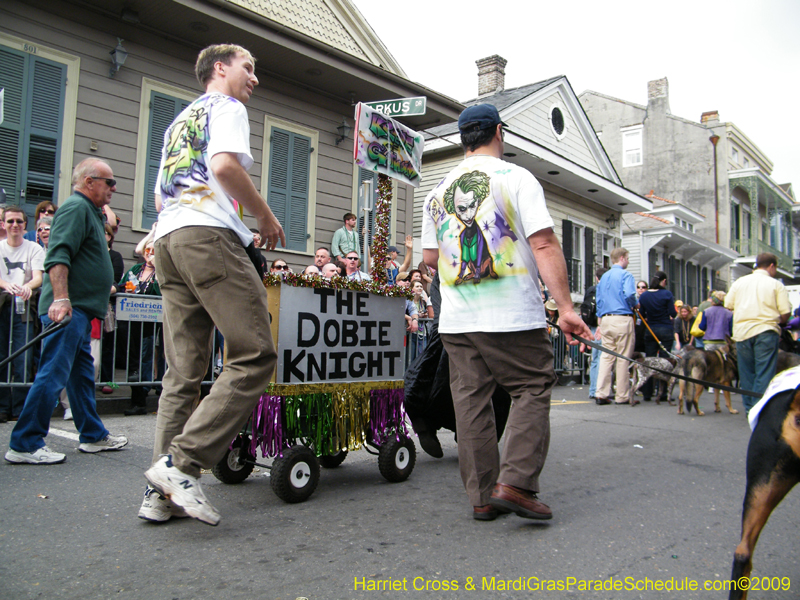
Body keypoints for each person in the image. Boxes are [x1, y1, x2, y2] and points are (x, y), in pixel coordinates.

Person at [421, 103, 591, 522]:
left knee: (472, 403)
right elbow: (545, 244)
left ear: (464, 139)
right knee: (532, 386)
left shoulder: (436, 191)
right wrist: (566, 308)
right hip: (511, 313)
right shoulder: (516, 178)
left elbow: (428, 257)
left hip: (458, 320)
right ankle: (515, 483)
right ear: (499, 131)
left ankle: (481, 498)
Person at [141, 44, 284, 526]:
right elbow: (224, 167)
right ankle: (180, 466)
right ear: (220, 69)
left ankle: (159, 496)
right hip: (208, 237)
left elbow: (165, 196)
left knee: (182, 373)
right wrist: (264, 217)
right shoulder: (227, 107)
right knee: (254, 353)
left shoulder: (179, 121)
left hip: (169, 238)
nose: (254, 79)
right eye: (249, 67)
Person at [5, 158, 128, 464]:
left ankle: (93, 435)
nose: (113, 188)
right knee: (52, 373)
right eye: (108, 182)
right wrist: (61, 299)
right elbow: (58, 255)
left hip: (80, 311)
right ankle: (25, 442)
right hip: (68, 309)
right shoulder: (75, 209)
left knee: (80, 375)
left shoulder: (89, 210)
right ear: (89, 182)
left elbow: (110, 221)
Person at [724, 253, 791, 414]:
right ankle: (759, 408)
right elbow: (786, 312)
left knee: (747, 373)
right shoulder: (775, 285)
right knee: (764, 371)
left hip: (742, 332)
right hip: (766, 330)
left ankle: (749, 408)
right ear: (771, 266)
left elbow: (728, 304)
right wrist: (780, 320)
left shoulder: (740, 282)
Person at [0, 206, 45, 422]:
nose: (14, 225)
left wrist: (28, 286)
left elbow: (38, 277)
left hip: (24, 306)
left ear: (25, 225)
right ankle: (2, 406)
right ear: (3, 224)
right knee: (1, 357)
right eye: (10, 221)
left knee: (23, 357)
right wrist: (7, 285)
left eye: (19, 221)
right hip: (2, 305)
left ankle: (19, 408)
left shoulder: (34, 248)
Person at [115, 240, 161, 416]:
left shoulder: (161, 271)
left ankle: (141, 398)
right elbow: (123, 284)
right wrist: (126, 291)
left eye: (154, 250)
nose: (150, 253)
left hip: (150, 323)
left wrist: (157, 266)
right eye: (148, 250)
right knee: (133, 361)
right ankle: (136, 399)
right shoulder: (136, 270)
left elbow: (160, 291)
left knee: (145, 359)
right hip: (131, 321)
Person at [594, 248, 637, 406]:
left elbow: (599, 300)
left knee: (606, 357)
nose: (628, 261)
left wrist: (600, 321)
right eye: (627, 258)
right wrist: (635, 305)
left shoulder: (604, 277)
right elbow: (630, 294)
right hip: (622, 317)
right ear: (622, 258)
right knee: (623, 358)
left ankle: (601, 393)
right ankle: (621, 395)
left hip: (606, 318)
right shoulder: (626, 275)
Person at [637, 271, 676, 403]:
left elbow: (641, 313)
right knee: (665, 362)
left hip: (650, 329)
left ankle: (647, 393)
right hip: (665, 328)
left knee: (650, 361)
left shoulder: (645, 296)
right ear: (663, 281)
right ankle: (663, 393)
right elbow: (672, 313)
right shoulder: (667, 294)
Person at [583, 268, 608, 401]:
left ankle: (593, 389)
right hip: (602, 325)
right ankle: (601, 389)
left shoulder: (590, 290)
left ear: (596, 278)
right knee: (603, 358)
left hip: (591, 326)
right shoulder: (606, 290)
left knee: (595, 359)